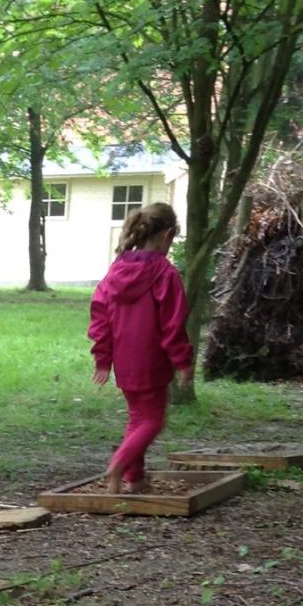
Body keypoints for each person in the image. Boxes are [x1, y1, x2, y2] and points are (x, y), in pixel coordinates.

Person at [88, 200, 194, 493]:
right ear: (168, 234)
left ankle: (134, 480)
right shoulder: (165, 273)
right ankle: (119, 464)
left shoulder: (115, 271)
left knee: (138, 418)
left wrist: (103, 358)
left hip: (124, 361)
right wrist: (183, 361)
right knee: (153, 420)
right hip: (152, 361)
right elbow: (173, 323)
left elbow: (100, 315)